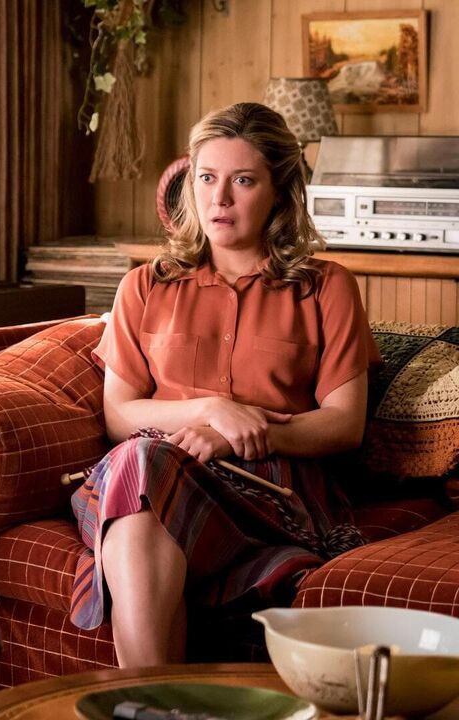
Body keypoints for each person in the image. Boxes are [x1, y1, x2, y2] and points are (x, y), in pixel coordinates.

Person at [70, 103, 378, 667]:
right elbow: (119, 414)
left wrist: (237, 435)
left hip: (269, 487)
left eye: (243, 181)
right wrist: (212, 409)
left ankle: (143, 700)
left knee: (139, 488)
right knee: (141, 479)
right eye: (207, 178)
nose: (220, 199)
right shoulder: (144, 286)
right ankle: (156, 700)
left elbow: (344, 423)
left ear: (278, 191)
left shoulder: (326, 288)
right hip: (154, 472)